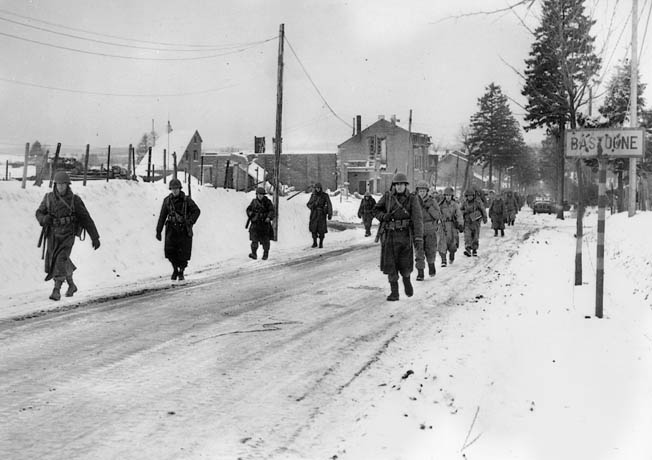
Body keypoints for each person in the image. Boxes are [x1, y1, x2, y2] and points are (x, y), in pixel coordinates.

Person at [35, 170, 100, 301]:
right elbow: (39, 212)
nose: (60, 187)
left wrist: (95, 237)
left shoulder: (75, 200)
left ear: (68, 185)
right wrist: (43, 219)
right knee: (57, 260)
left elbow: (86, 218)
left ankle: (56, 290)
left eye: (63, 184)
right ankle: (71, 285)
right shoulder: (48, 198)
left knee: (60, 259)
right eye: (58, 184)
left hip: (67, 236)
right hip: (52, 235)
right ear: (55, 185)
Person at [372, 173, 423, 301]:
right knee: (390, 265)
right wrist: (384, 216)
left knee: (405, 264)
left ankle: (406, 281)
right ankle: (394, 292)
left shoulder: (412, 198)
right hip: (390, 235)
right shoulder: (388, 197)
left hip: (405, 235)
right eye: (397, 184)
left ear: (406, 185)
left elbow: (417, 219)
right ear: (394, 185)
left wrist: (418, 238)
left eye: (402, 184)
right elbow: (376, 210)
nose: (399, 187)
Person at [156, 178, 201, 280]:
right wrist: (158, 231)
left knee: (183, 253)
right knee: (170, 251)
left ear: (180, 189)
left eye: (176, 188)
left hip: (183, 230)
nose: (175, 191)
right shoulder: (167, 201)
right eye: (173, 189)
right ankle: (175, 269)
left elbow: (196, 211)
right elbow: (162, 216)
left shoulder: (187, 200)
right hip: (171, 229)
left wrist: (190, 222)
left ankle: (181, 271)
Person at [414, 180, 441, 280]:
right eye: (420, 191)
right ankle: (420, 272)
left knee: (430, 250)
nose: (422, 193)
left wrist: (429, 208)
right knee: (418, 252)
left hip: (430, 229)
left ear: (427, 191)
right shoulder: (414, 201)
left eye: (423, 191)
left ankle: (431, 265)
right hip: (418, 230)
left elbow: (438, 215)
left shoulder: (432, 201)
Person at [246, 187, 275, 260]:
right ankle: (254, 254)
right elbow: (248, 209)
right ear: (256, 194)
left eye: (262, 194)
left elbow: (271, 211)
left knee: (265, 241)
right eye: (259, 194)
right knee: (254, 240)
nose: (260, 196)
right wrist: (251, 213)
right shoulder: (254, 202)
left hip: (264, 224)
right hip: (255, 224)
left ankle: (265, 254)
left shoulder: (267, 202)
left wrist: (268, 217)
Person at [437, 187, 463, 267]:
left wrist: (460, 224)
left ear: (452, 196)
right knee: (442, 243)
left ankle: (452, 255)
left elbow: (459, 215)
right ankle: (443, 260)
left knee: (453, 243)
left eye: (449, 195)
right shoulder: (440, 205)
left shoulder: (455, 205)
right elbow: (436, 214)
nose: (448, 197)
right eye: (446, 195)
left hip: (452, 226)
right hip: (443, 225)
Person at [460, 189, 488, 257]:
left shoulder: (477, 202)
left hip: (476, 221)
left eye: (471, 196)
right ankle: (468, 249)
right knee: (467, 236)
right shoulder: (464, 203)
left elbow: (482, 209)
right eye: (468, 196)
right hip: (467, 222)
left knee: (475, 236)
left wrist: (485, 217)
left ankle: (474, 249)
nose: (470, 197)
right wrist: (464, 213)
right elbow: (460, 210)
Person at [307, 182, 333, 248]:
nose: (317, 189)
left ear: (320, 188)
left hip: (322, 214)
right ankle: (315, 242)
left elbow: (329, 204)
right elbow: (308, 204)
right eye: (316, 188)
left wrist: (329, 213)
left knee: (321, 230)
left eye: (318, 188)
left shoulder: (325, 195)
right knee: (314, 229)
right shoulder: (313, 195)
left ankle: (321, 243)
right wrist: (313, 205)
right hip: (314, 214)